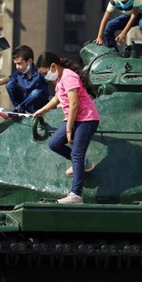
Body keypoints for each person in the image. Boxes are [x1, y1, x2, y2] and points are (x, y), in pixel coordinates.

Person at [34, 52, 100, 204]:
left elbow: (74, 103)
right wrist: (43, 110)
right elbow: (58, 97)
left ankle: (76, 195)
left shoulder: (69, 77)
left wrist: (69, 128)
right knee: (54, 143)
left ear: (53, 66)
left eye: (45, 73)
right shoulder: (60, 77)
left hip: (86, 118)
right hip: (75, 118)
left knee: (77, 153)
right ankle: (85, 164)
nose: (45, 76)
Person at [0, 45, 49, 113]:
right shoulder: (19, 74)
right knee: (9, 84)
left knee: (36, 93)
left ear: (29, 61)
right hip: (27, 105)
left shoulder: (40, 72)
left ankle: (20, 108)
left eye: (19, 63)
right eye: (15, 64)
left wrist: (58, 102)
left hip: (40, 106)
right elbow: (1, 81)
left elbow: (56, 82)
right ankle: (18, 108)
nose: (17, 67)